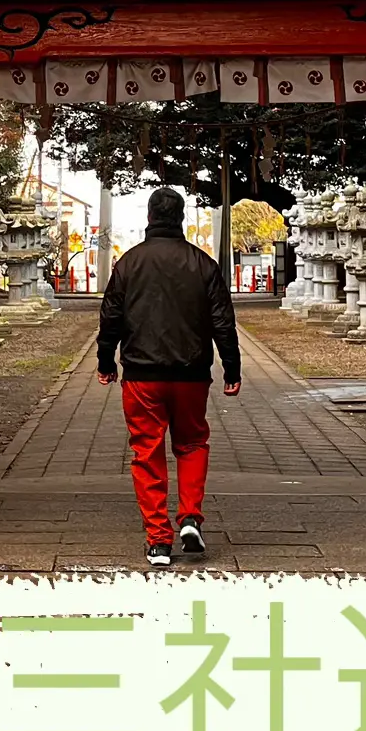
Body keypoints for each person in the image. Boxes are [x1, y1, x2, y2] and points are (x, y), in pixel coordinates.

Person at [96, 187, 241, 567]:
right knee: (192, 444)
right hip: (192, 374)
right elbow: (223, 321)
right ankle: (190, 516)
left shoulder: (128, 264)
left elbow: (110, 316)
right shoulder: (204, 264)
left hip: (142, 375)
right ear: (180, 218)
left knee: (147, 451)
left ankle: (159, 541)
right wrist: (232, 366)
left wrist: (105, 361)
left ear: (149, 218)